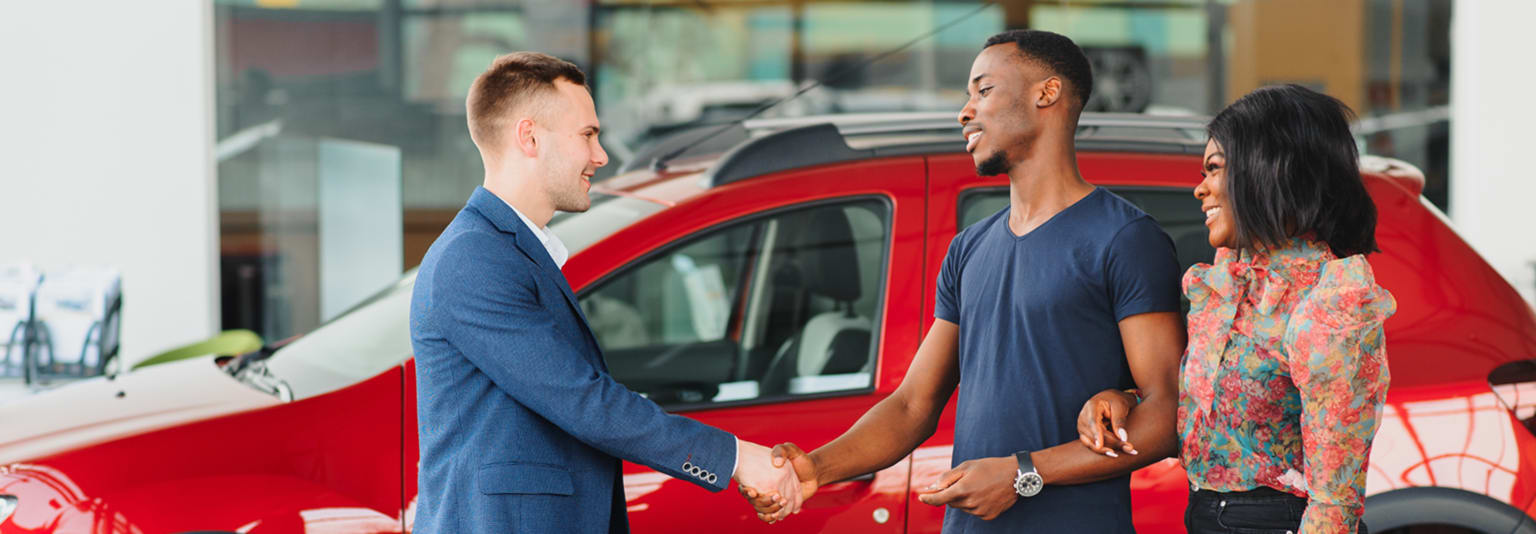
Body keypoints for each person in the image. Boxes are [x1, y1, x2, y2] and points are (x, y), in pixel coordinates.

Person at [745, 30, 1187, 532]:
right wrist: (816, 469)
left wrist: (1024, 474)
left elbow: (1167, 413)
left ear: (1047, 93)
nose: (965, 111)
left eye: (984, 90)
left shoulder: (1125, 238)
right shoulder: (969, 248)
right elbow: (912, 405)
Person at [409, 52, 800, 533]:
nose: (602, 155)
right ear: (529, 137)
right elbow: (583, 401)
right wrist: (735, 458)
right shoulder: (474, 259)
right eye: (587, 135)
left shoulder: (508, 251)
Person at [1076, 84, 1396, 534]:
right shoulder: (1228, 282)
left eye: (1213, 169)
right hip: (1207, 515)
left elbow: (1334, 503)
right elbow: (1209, 412)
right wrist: (1123, 400)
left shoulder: (1329, 301)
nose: (1199, 189)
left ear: (1268, 171)